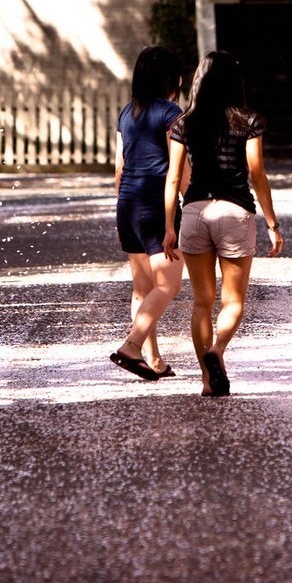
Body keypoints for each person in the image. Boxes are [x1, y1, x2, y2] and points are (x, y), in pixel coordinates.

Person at [164, 51, 283, 397]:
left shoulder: (183, 123)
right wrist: (272, 223)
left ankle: (207, 380)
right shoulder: (250, 121)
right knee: (233, 303)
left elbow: (172, 179)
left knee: (202, 302)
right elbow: (257, 173)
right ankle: (217, 352)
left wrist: (168, 227)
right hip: (234, 212)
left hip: (195, 212)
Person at [108, 46, 186, 381]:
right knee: (169, 284)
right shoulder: (172, 114)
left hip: (128, 204)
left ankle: (152, 360)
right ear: (172, 79)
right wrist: (194, 201)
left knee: (142, 287)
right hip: (157, 204)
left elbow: (118, 169)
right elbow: (180, 171)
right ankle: (131, 345)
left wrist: (124, 210)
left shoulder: (127, 113)